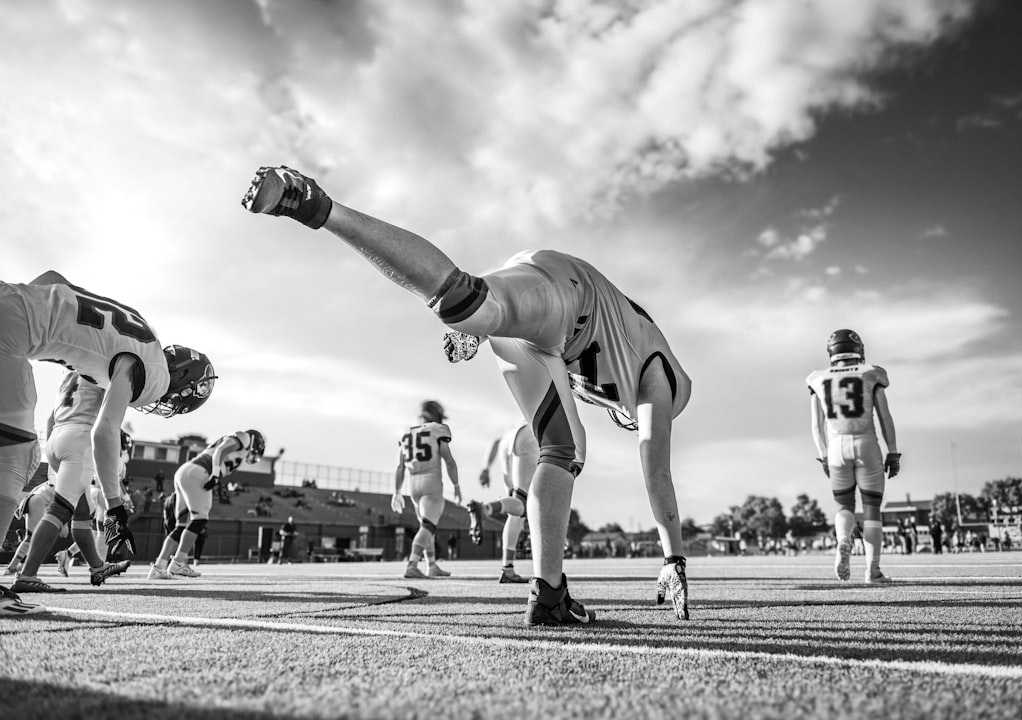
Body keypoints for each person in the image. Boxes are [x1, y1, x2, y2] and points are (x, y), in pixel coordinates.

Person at [243, 166, 692, 625]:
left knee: (563, 448)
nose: (628, 416)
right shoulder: (667, 384)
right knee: (465, 299)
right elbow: (655, 470)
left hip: (546, 321)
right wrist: (673, 559)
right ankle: (317, 204)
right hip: (574, 298)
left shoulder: (626, 365)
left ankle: (550, 594)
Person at [0, 271, 216, 616]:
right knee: (15, 457)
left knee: (21, 451)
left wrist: (25, 306)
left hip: (10, 299)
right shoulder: (155, 373)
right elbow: (104, 431)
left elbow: (54, 278)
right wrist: (115, 509)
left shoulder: (138, 328)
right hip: (14, 338)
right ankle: (23, 577)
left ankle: (93, 566)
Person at [10, 371, 133, 593]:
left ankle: (98, 567)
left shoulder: (71, 373)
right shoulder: (105, 366)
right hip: (81, 438)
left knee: (81, 512)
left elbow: (50, 418)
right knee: (59, 511)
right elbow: (109, 423)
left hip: (57, 437)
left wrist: (55, 453)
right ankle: (27, 574)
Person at [808, 329, 900, 584]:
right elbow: (885, 417)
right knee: (871, 509)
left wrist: (823, 455)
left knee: (844, 506)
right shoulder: (871, 373)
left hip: (836, 447)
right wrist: (892, 451)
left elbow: (816, 426)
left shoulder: (818, 378)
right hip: (866, 442)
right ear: (858, 350)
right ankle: (873, 570)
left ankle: (843, 541)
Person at [147, 429, 265, 579]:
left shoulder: (240, 451)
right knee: (200, 519)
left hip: (187, 472)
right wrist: (215, 474)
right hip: (199, 471)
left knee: (181, 526)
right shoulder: (244, 438)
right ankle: (178, 562)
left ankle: (159, 567)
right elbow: (221, 451)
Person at [392, 400, 460, 579]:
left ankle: (432, 565)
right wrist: (456, 485)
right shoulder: (438, 429)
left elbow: (400, 467)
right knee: (427, 527)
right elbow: (449, 461)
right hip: (431, 481)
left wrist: (396, 492)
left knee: (426, 527)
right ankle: (412, 564)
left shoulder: (405, 432)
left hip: (412, 484)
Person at [467, 420, 537, 583]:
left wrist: (485, 468)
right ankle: (486, 509)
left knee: (515, 510)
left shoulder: (513, 423)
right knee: (523, 504)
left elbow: (496, 442)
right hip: (528, 435)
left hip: (507, 442)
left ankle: (507, 569)